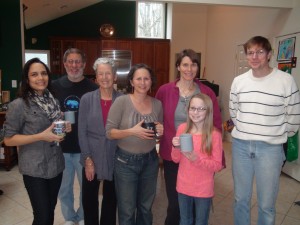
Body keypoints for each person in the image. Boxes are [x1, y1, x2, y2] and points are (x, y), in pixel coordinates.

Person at [229, 36, 300, 225]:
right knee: (240, 200)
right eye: (250, 52)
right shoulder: (238, 81)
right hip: (241, 147)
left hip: (270, 149)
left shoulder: (285, 81)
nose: (254, 56)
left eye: (260, 52)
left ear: (269, 54)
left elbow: (294, 117)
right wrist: (248, 129)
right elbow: (234, 112)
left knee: (266, 205)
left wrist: (275, 132)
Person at [155, 49, 222, 225]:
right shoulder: (165, 91)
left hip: (200, 157)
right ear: (178, 66)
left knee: (196, 205)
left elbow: (215, 124)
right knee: (176, 204)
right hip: (174, 155)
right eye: (185, 64)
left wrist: (215, 155)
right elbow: (156, 118)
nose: (189, 69)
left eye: (193, 64)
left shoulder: (207, 93)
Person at [3, 58, 71, 225]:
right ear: (27, 79)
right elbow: (8, 139)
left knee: (50, 211)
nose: (40, 78)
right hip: (34, 168)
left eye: (43, 73)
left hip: (56, 164)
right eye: (34, 74)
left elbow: (53, 131)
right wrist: (40, 136)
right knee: (42, 216)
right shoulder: (18, 105)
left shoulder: (53, 101)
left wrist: (64, 128)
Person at [106, 63, 164, 225]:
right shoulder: (121, 102)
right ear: (131, 82)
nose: (143, 82)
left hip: (151, 161)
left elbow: (157, 136)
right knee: (127, 209)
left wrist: (160, 131)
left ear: (151, 81)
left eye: (146, 78)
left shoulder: (157, 104)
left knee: (146, 208)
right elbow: (109, 133)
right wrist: (132, 131)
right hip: (125, 162)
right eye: (138, 78)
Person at [52, 48, 98, 225]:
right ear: (64, 64)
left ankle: (82, 216)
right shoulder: (54, 87)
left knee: (87, 187)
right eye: (70, 61)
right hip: (62, 147)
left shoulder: (93, 88)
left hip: (85, 150)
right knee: (64, 188)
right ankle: (70, 218)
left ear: (84, 64)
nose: (74, 65)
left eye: (77, 61)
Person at [78, 58, 121, 225]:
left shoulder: (123, 99)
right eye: (100, 74)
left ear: (115, 76)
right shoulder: (87, 99)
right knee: (89, 199)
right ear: (96, 77)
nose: (104, 77)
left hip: (115, 156)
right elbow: (81, 131)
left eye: (108, 73)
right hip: (92, 155)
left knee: (111, 199)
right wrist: (87, 159)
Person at [171, 93, 223, 225]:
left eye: (201, 109)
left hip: (203, 188)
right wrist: (175, 146)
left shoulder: (214, 135)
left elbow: (218, 165)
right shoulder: (182, 129)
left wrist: (196, 159)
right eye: (192, 108)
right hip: (183, 186)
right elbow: (175, 159)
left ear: (208, 111)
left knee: (201, 221)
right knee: (185, 220)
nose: (196, 112)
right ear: (187, 110)